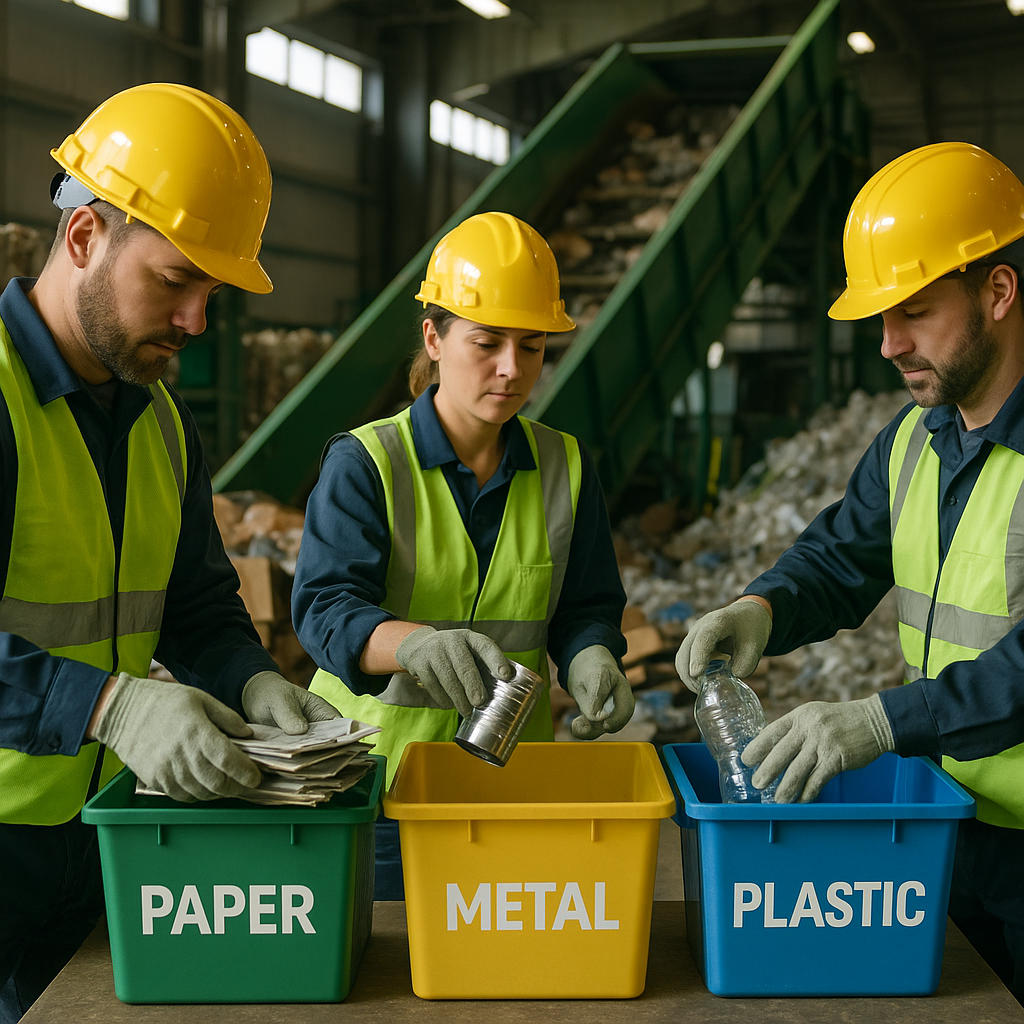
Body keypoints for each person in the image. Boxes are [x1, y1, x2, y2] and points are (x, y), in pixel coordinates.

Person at [0, 83, 338, 1022]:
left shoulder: (158, 421)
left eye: (211, 294)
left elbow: (194, 604)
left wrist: (251, 681)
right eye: (175, 280)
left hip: (94, 841)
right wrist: (107, 704)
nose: (196, 322)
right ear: (84, 239)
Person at [675, 141, 1024, 1001]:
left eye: (914, 310)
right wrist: (759, 609)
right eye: (880, 316)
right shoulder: (913, 441)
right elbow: (840, 557)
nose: (888, 343)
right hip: (953, 827)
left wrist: (884, 720)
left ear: (999, 292)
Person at [293, 211, 636, 898]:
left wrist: (592, 651)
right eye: (487, 343)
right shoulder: (368, 463)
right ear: (434, 337)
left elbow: (585, 604)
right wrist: (410, 644)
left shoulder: (565, 464)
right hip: (374, 782)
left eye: (533, 347)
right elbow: (325, 608)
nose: (512, 369)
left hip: (509, 780)